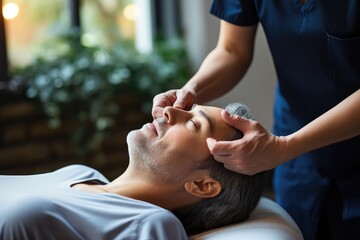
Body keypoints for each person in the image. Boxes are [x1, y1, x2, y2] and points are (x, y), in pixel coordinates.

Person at [151, 1, 360, 240]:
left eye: (196, 123)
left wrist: (284, 147)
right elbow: (231, 51)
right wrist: (191, 90)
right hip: (298, 143)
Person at [0, 103, 265, 239]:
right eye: (187, 110)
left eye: (194, 124)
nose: (171, 111)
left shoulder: (152, 226)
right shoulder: (77, 174)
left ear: (201, 185)